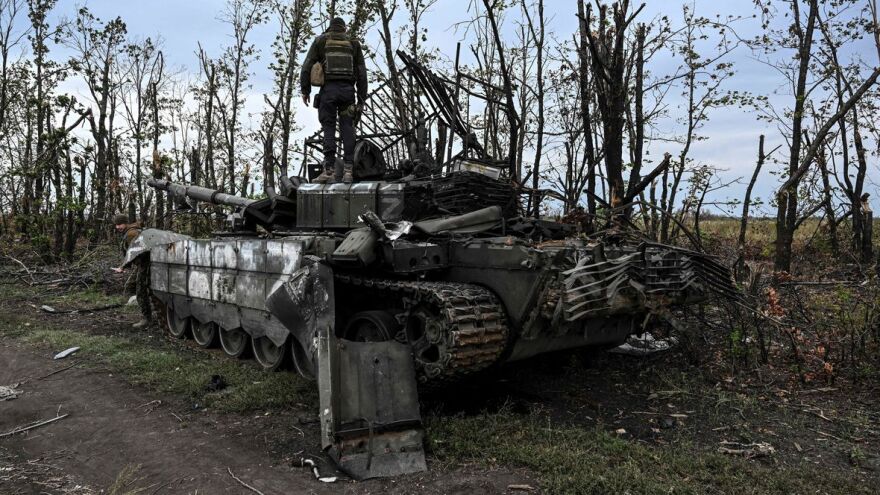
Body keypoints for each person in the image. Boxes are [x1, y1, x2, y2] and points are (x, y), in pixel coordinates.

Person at [300, 16, 368, 184]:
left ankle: (328, 171)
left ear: (330, 28)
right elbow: (362, 73)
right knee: (348, 128)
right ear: (344, 28)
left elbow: (306, 66)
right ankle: (348, 171)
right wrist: (361, 99)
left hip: (328, 92)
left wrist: (305, 90)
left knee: (328, 127)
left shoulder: (321, 41)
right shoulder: (353, 43)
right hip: (348, 93)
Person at [111, 213, 153, 329]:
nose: (118, 227)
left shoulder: (131, 233)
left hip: (145, 264)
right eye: (116, 224)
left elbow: (135, 252)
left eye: (120, 224)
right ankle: (149, 308)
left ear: (125, 223)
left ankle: (147, 319)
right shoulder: (132, 231)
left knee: (141, 290)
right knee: (130, 285)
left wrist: (123, 266)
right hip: (142, 264)